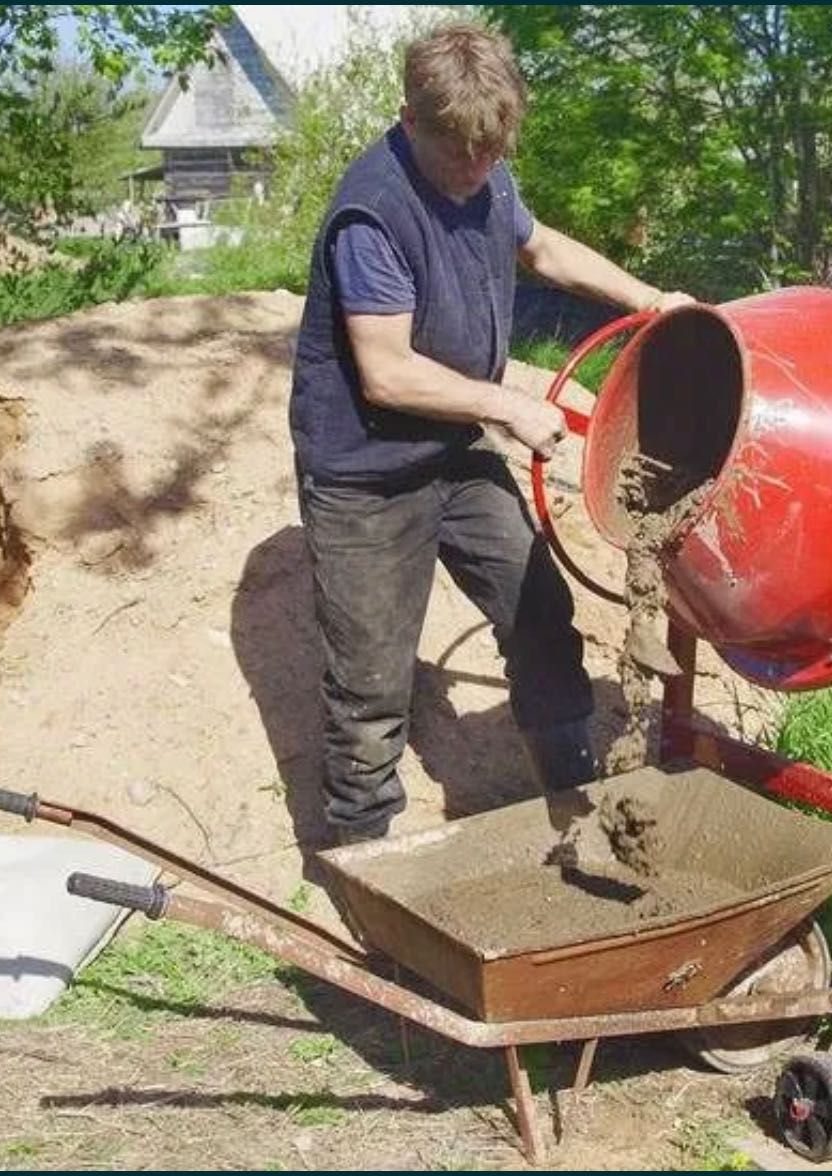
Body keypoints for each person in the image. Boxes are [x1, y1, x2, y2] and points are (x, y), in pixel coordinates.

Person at [289, 22, 694, 844]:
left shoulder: (485, 167)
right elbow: (387, 372)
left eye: (490, 152)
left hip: (454, 450)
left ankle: (576, 805)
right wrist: (507, 404)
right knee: (371, 686)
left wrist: (650, 300)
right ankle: (363, 869)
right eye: (459, 156)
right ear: (410, 118)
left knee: (539, 613)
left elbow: (541, 248)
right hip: (367, 473)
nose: (476, 172)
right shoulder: (372, 212)